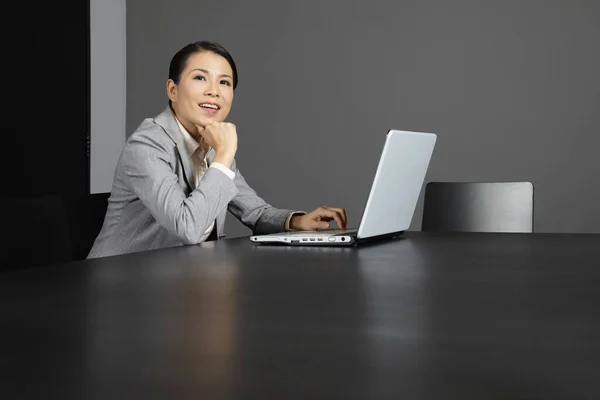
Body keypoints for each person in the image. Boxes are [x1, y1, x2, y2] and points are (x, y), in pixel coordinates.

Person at [88, 41, 346, 258]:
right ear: (173, 90)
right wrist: (223, 156)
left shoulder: (211, 143)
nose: (214, 91)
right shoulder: (146, 145)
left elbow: (255, 212)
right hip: (122, 285)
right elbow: (187, 228)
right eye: (200, 78)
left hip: (184, 279)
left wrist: (299, 221)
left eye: (225, 82)